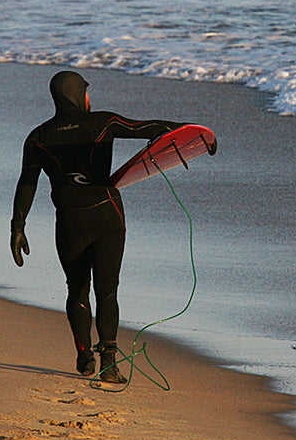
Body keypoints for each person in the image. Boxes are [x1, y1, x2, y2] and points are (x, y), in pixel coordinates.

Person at [12, 70, 182, 384]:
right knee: (107, 290)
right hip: (107, 216)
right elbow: (147, 128)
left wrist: (17, 227)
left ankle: (83, 354)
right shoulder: (103, 122)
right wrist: (193, 133)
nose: (89, 98)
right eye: (86, 92)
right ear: (79, 94)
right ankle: (109, 363)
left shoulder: (38, 137)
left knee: (76, 289)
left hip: (69, 221)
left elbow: (27, 183)